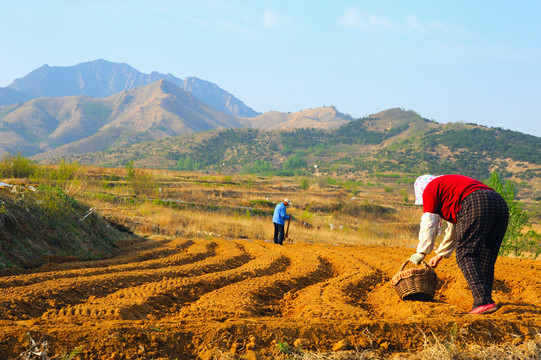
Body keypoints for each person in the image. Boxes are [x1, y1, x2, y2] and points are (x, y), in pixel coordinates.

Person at [410, 174, 509, 315]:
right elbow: (454, 229)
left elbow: (429, 222)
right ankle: (487, 302)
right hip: (499, 203)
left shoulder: (430, 188)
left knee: (465, 254)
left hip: (476, 202)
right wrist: (439, 255)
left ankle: (483, 301)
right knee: (487, 255)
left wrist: (422, 251)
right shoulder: (450, 189)